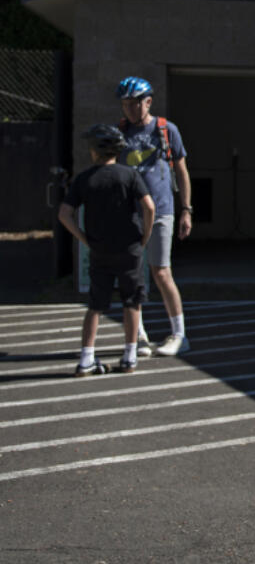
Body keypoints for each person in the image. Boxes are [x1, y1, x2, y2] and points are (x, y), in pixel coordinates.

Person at [58, 125, 156, 376]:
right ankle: (129, 356)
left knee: (96, 305)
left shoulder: (84, 179)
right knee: (132, 302)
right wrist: (144, 236)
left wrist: (83, 238)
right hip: (130, 247)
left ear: (95, 150)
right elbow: (149, 207)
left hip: (100, 248)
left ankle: (86, 358)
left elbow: (64, 214)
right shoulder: (130, 175)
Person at [115, 76, 192, 357]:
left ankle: (179, 334)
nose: (131, 109)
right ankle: (139, 334)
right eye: (126, 104)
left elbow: (182, 171)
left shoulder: (166, 129)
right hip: (129, 213)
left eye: (136, 103)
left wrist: (186, 209)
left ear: (148, 101)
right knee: (135, 274)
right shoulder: (120, 132)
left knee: (161, 271)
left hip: (161, 210)